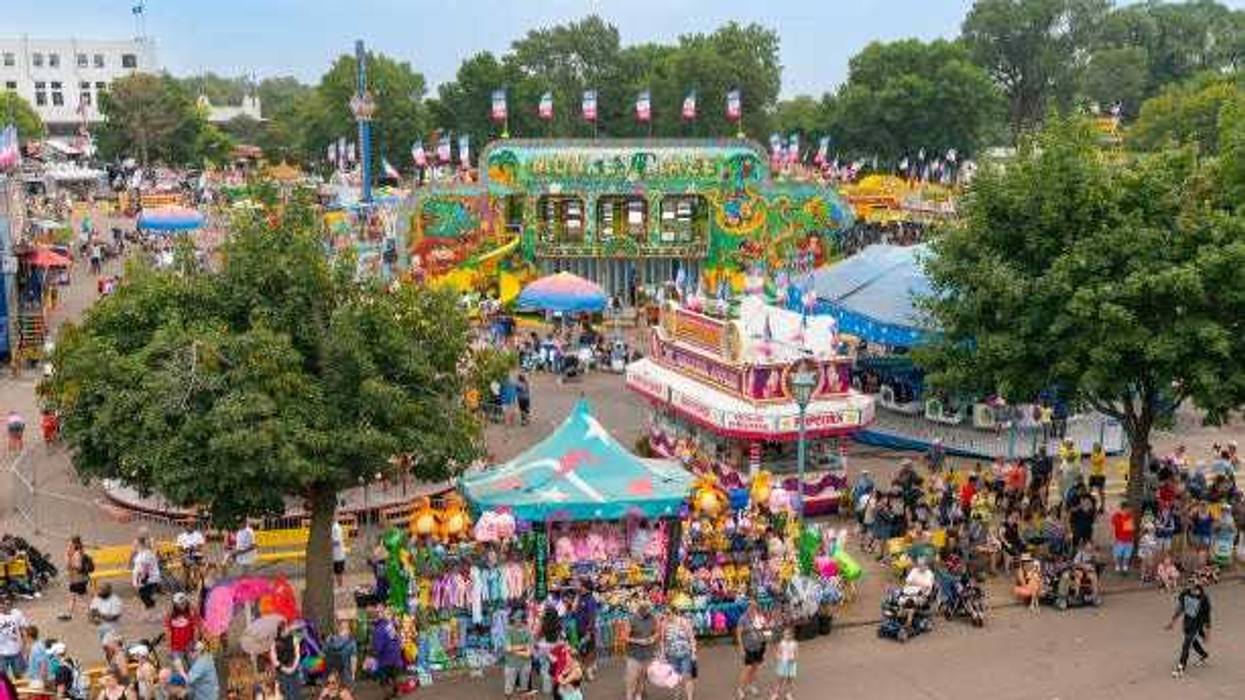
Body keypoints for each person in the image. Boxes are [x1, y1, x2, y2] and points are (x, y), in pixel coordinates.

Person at [1166, 579, 1212, 678]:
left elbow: (1207, 617)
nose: (1189, 588)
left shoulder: (1204, 599)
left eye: (1192, 586)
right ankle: (1204, 655)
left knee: (1186, 644)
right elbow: (1180, 608)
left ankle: (1181, 667)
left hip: (1197, 625)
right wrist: (1172, 622)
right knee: (1193, 641)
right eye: (1188, 585)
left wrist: (1207, 633)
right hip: (1187, 622)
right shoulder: (1185, 593)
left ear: (1197, 588)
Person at [660, 611, 697, 700]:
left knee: (687, 676)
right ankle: (677, 696)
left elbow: (691, 637)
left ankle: (690, 698)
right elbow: (662, 640)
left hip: (685, 653)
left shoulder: (683, 621)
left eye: (668, 613)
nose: (667, 616)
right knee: (675, 676)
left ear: (674, 612)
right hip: (671, 654)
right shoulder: (664, 624)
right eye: (665, 614)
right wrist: (663, 654)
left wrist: (693, 652)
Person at [735, 600, 768, 700]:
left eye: (754, 606)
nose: (752, 608)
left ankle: (751, 685)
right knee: (748, 668)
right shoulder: (743, 619)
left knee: (755, 667)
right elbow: (738, 634)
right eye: (750, 606)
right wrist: (741, 648)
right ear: (747, 607)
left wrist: (766, 635)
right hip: (748, 647)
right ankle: (740, 689)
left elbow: (764, 629)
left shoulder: (759, 617)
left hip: (759, 645)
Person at [624, 601, 657, 700]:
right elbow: (625, 637)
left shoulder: (652, 618)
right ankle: (629, 697)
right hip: (634, 655)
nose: (649, 611)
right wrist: (639, 641)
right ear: (641, 609)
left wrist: (653, 638)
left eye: (649, 609)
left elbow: (656, 632)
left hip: (647, 654)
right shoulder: (631, 619)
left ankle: (639, 696)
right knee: (632, 680)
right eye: (647, 609)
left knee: (642, 678)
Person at [502, 609, 533, 699]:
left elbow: (528, 654)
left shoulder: (528, 631)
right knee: (508, 688)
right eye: (514, 619)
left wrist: (513, 649)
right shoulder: (509, 630)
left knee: (524, 688)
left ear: (522, 620)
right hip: (511, 663)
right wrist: (523, 647)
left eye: (516, 619)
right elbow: (507, 648)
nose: (514, 621)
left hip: (525, 664)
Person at [164, 593, 200, 670]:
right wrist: (169, 647)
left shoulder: (192, 612)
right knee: (180, 667)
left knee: (193, 665)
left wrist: (195, 643)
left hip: (189, 643)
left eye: (184, 602)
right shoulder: (170, 614)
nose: (182, 605)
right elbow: (168, 631)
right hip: (176, 646)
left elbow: (196, 628)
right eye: (180, 604)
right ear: (175, 604)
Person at [60, 536, 90, 621]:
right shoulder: (79, 552)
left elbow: (78, 566)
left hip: (77, 579)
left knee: (82, 596)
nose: (69, 546)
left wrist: (69, 559)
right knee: (73, 596)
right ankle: (69, 613)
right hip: (76, 578)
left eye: (71, 544)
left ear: (75, 544)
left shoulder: (77, 554)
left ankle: (90, 612)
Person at [131, 537, 162, 616]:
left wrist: (142, 579)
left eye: (135, 544)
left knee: (144, 595)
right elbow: (136, 564)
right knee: (144, 595)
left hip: (149, 578)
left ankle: (151, 611)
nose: (133, 545)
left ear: (140, 545)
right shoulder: (140, 553)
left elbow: (146, 567)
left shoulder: (146, 554)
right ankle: (150, 610)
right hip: (144, 578)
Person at [271, 621, 301, 700]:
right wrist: (284, 669)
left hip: (294, 670)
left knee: (295, 694)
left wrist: (293, 667)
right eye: (283, 630)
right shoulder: (274, 642)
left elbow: (297, 654)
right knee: (284, 694)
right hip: (282, 672)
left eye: (286, 628)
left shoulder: (294, 638)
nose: (286, 631)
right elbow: (274, 659)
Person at [324, 618, 358, 687]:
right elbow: (353, 660)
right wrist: (353, 675)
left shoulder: (329, 639)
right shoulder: (352, 642)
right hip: (345, 676)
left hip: (330, 676)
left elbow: (323, 654)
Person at [0, 597, 26, 679]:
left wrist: (24, 645)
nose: (6, 606)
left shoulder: (17, 614)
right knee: (2, 678)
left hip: (16, 651)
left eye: (8, 603)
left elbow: (23, 629)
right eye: (4, 604)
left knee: (19, 676)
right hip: (1, 653)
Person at [771, 626, 797, 700]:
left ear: (792, 635)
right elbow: (778, 653)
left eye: (789, 634)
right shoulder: (781, 643)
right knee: (780, 679)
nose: (787, 636)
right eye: (785, 634)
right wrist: (779, 658)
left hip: (791, 664)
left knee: (790, 680)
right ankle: (776, 694)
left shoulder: (794, 644)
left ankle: (788, 694)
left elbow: (796, 653)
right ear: (783, 635)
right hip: (783, 663)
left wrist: (793, 659)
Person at [1110, 505, 1136, 573]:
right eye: (1128, 509)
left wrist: (1132, 537)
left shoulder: (1129, 516)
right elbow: (1113, 528)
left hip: (1129, 540)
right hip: (1119, 539)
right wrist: (1113, 538)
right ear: (1124, 509)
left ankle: (1125, 566)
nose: (1129, 511)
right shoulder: (1116, 516)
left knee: (1127, 555)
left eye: (1129, 510)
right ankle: (1118, 565)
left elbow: (1131, 529)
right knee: (1118, 554)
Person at [331, 521, 347, 588]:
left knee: (338, 572)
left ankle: (340, 586)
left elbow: (337, 542)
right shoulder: (332, 527)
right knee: (336, 572)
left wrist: (328, 542)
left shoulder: (336, 528)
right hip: (334, 554)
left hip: (338, 554)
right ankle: (337, 586)